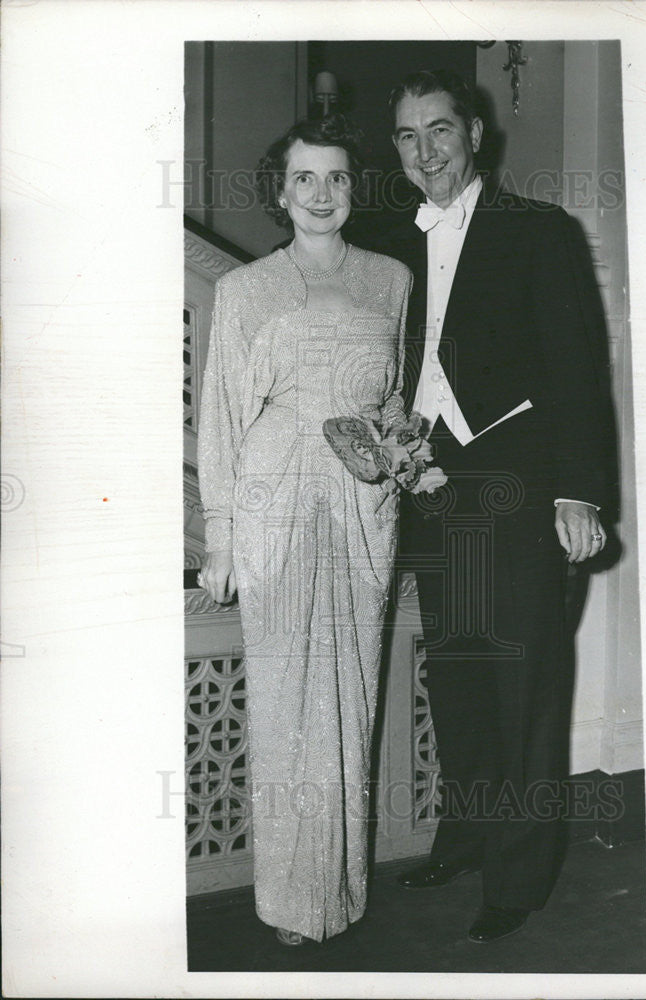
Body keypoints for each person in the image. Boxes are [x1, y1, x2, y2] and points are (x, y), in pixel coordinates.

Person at [380, 69, 616, 943]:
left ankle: (519, 875)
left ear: (474, 133)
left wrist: (577, 490)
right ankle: (470, 834)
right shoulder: (390, 243)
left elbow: (575, 370)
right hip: (432, 487)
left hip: (521, 484)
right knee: (459, 675)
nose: (426, 152)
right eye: (407, 137)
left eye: (439, 130)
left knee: (523, 684)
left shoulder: (536, 232)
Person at [196, 115, 412, 946]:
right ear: (279, 192)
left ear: (355, 188)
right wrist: (220, 533)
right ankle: (291, 901)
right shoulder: (244, 290)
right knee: (287, 698)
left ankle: (340, 890)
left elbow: (391, 398)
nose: (322, 195)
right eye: (304, 180)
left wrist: (399, 455)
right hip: (274, 499)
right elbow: (219, 415)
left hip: (362, 504)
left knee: (353, 692)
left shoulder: (391, 279)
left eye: (338, 179)